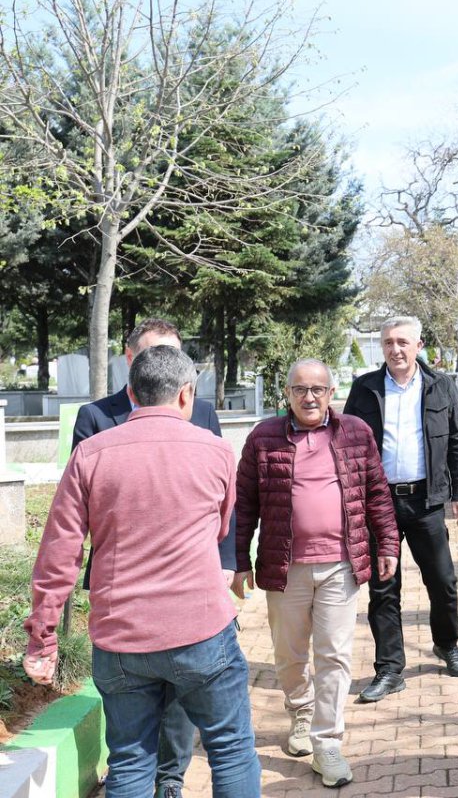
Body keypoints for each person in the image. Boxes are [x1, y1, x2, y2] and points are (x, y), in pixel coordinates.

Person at [24, 345, 260, 797]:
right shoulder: (216, 451)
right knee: (231, 750)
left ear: (132, 394)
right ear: (187, 394)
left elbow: (59, 553)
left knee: (130, 761)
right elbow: (220, 527)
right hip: (200, 630)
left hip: (121, 636)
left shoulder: (90, 454)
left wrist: (43, 637)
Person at [70, 317, 234, 798]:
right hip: (122, 589)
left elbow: (224, 499)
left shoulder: (201, 411)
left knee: (182, 698)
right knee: (137, 732)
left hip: (190, 585)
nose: (165, 361)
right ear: (130, 358)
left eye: (174, 352)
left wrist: (226, 560)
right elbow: (78, 508)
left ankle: (171, 778)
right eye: (154, 351)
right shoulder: (96, 417)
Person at [233, 359, 400, 788]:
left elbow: (377, 493)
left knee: (335, 655)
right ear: (287, 393)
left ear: (330, 393)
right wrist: (239, 560)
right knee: (289, 655)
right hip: (284, 567)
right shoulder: (263, 437)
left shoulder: (355, 433)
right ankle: (301, 711)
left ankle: (327, 742)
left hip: (340, 565)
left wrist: (388, 544)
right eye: (300, 389)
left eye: (317, 389)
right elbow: (244, 503)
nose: (309, 397)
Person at [343, 316, 458, 702]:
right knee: (384, 588)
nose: (395, 349)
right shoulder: (365, 388)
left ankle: (447, 643)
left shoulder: (440, 386)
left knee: (442, 582)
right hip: (378, 503)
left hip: (426, 500)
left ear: (419, 346)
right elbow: (347, 444)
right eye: (388, 342)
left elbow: (457, 441)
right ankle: (389, 669)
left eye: (403, 342)